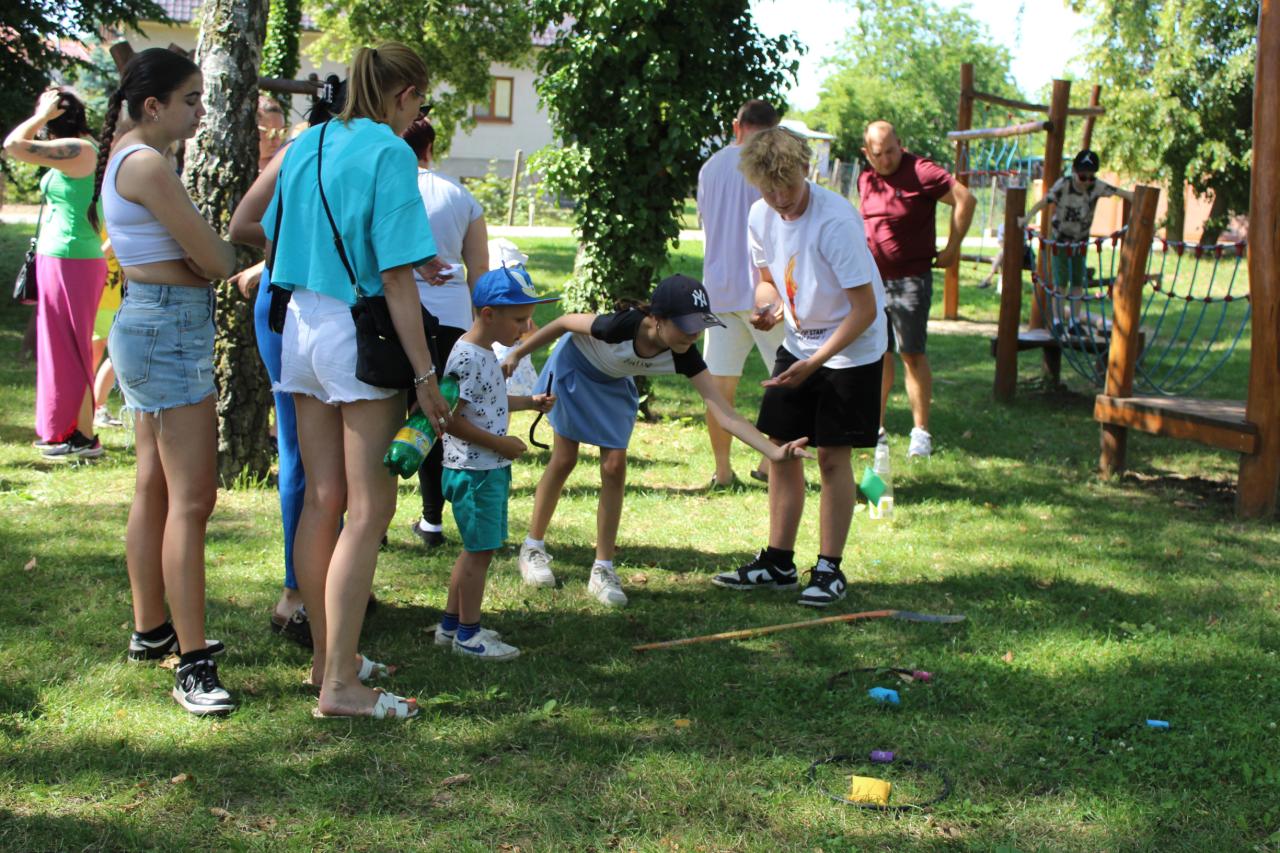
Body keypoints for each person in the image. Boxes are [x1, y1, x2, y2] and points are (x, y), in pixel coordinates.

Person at [264, 42, 451, 721]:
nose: (417, 115)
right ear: (404, 96)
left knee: (324, 502)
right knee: (369, 511)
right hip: (355, 336)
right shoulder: (390, 153)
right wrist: (425, 374)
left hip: (300, 329)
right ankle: (340, 683)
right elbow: (396, 277)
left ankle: (327, 660)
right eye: (420, 102)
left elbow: (271, 235)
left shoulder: (307, 142)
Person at [506, 274, 810, 607]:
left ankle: (603, 568)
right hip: (576, 367)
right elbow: (564, 323)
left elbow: (725, 414)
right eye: (686, 326)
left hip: (613, 381)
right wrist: (517, 354)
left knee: (614, 466)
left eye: (700, 326)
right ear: (657, 319)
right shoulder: (620, 325)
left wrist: (773, 452)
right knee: (565, 458)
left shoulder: (685, 354)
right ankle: (533, 547)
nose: (694, 335)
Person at [90, 48, 238, 713]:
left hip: (154, 324)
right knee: (193, 500)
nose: (200, 111)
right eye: (191, 100)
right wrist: (207, 260)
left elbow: (197, 261)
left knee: (154, 484)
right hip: (168, 330)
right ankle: (193, 663)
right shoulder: (147, 163)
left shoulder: (129, 155)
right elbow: (218, 258)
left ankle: (153, 628)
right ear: (154, 106)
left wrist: (195, 264)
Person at [711, 126, 887, 607]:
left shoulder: (836, 222)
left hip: (852, 346)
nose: (780, 199)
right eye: (768, 190)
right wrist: (766, 306)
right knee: (781, 449)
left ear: (806, 170)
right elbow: (768, 280)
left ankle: (829, 569)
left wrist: (816, 363)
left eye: (787, 186)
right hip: (800, 340)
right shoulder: (760, 214)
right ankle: (778, 562)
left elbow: (865, 310)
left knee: (831, 456)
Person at [227, 86, 349, 649]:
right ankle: (296, 594)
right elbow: (243, 224)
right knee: (303, 453)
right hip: (292, 308)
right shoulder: (304, 147)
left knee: (334, 458)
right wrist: (300, 243)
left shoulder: (353, 148)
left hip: (327, 307)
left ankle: (328, 581)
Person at [436, 265, 557, 660]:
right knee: (479, 553)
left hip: (483, 467)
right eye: (519, 320)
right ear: (489, 314)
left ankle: (451, 626)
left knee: (474, 550)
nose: (526, 329)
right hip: (475, 471)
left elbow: (489, 400)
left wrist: (530, 402)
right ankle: (469, 637)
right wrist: (500, 444)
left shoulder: (484, 350)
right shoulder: (468, 357)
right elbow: (450, 418)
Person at [858, 120, 975, 458]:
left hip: (910, 279)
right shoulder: (866, 178)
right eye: (878, 154)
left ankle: (920, 433)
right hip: (873, 281)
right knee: (877, 355)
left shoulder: (921, 171)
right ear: (867, 154)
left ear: (901, 144)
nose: (886, 160)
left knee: (911, 353)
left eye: (891, 151)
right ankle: (876, 428)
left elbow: (965, 199)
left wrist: (952, 248)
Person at [400, 115, 490, 550]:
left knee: (385, 413)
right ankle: (432, 518)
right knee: (433, 416)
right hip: (451, 317)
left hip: (393, 316)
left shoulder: (389, 189)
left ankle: (371, 520)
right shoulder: (460, 195)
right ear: (431, 147)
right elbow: (480, 271)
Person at [4, 89, 108, 459]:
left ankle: (80, 436)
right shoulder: (73, 151)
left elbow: (13, 145)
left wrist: (40, 116)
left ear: (56, 115)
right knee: (59, 347)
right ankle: (69, 432)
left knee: (71, 348)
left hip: (73, 259)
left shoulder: (80, 150)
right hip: (59, 257)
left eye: (47, 113)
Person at [697, 98, 785, 489]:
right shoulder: (771, 166)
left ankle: (722, 470)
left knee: (718, 389)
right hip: (764, 291)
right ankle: (770, 461)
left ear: (737, 126)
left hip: (718, 290)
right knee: (788, 379)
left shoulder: (710, 167)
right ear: (773, 130)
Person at [1018, 149, 1134, 319]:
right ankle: (1057, 320)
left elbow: (1122, 193)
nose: (1086, 181)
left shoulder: (1096, 186)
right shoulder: (1064, 184)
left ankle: (1074, 321)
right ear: (1074, 172)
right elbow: (1044, 202)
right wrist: (1027, 218)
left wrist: (1140, 199)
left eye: (1090, 177)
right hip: (1060, 239)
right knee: (1061, 281)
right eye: (1082, 177)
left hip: (1080, 240)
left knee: (1078, 282)